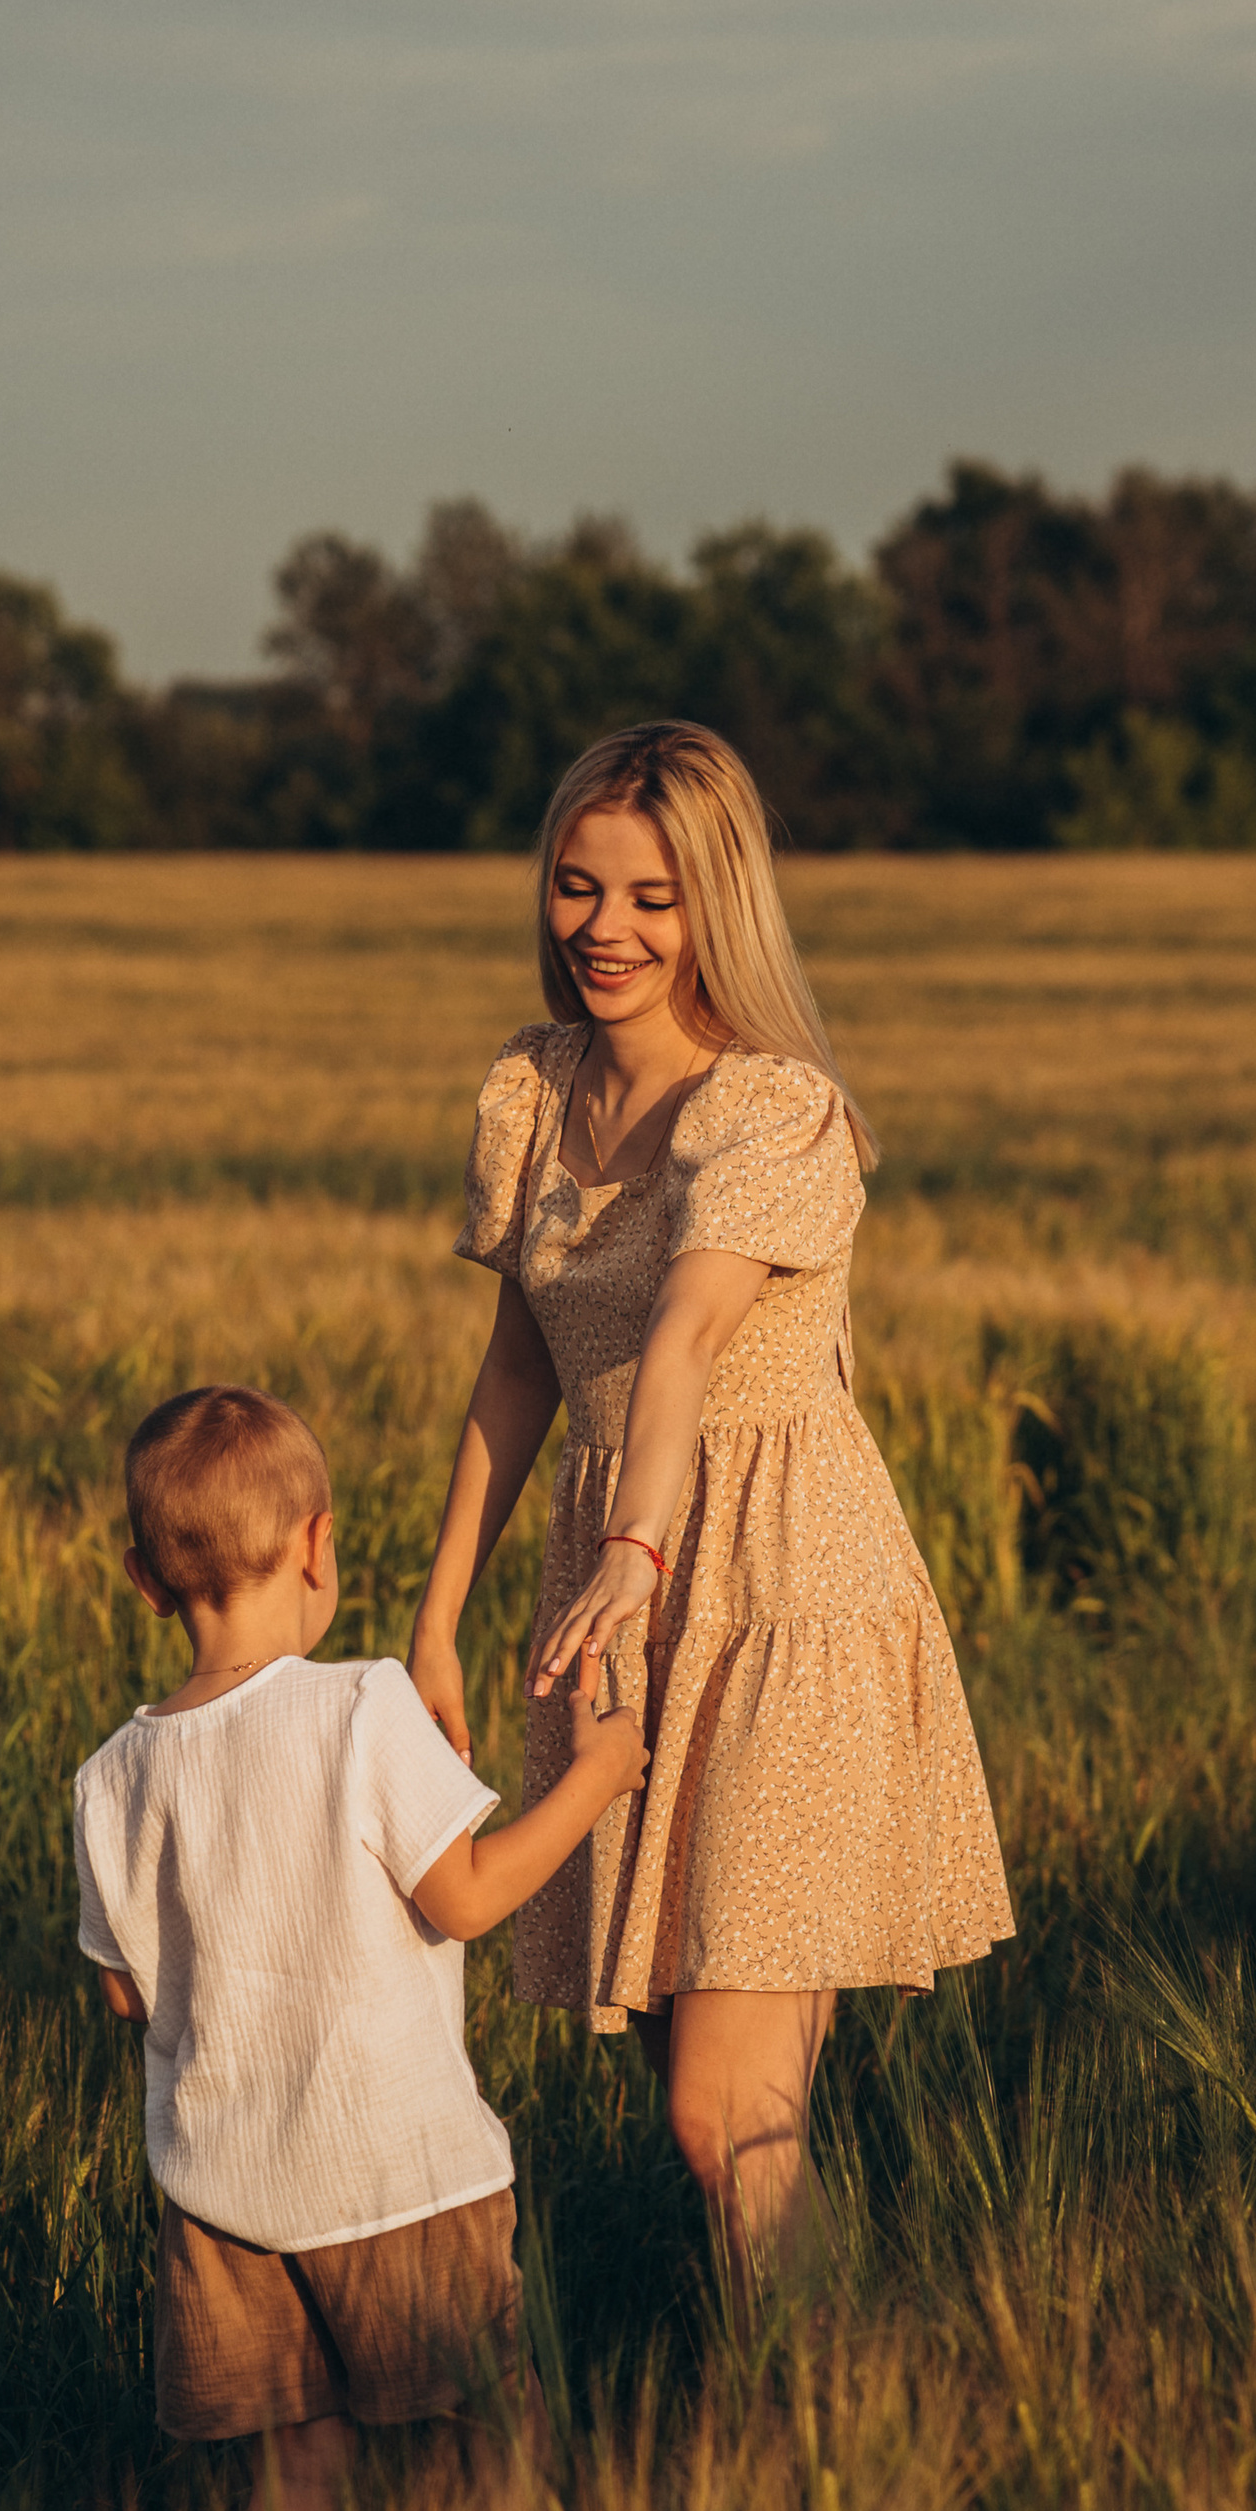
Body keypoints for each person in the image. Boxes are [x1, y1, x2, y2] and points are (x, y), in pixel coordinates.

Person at [408, 722, 1012, 2301]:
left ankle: (832, 2433)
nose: (604, 928)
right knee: (721, 2102)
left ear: (718, 904)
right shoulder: (533, 1094)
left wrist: (635, 1549)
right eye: (576, 886)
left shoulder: (773, 1112)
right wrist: (438, 1616)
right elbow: (519, 1370)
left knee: (722, 2106)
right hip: (622, 1596)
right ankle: (823, 2409)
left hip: (778, 1589)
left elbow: (679, 1337)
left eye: (653, 898)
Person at [73, 1381, 647, 2511]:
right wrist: (597, 1777)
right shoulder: (361, 1704)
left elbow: (126, 1993)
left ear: (143, 1577)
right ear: (317, 1545)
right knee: (496, 2434)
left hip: (222, 2200)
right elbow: (470, 1898)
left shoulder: (110, 1777)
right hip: (400, 2174)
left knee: (297, 2470)